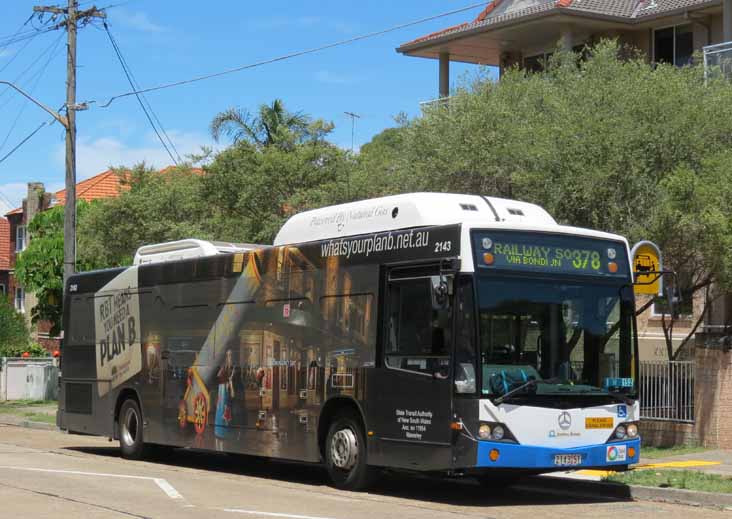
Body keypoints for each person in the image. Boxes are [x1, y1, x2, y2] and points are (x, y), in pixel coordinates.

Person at [214, 349, 235, 451]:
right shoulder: (224, 367)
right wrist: (228, 382)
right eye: (228, 355)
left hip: (224, 393)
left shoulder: (229, 368)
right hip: (222, 391)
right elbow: (220, 377)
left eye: (231, 355)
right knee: (222, 411)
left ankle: (223, 432)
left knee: (225, 412)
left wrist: (229, 382)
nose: (230, 357)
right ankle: (220, 432)